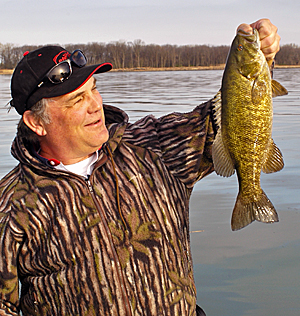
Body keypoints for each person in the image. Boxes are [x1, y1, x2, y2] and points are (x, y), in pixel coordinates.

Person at [0, 18, 280, 316]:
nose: (96, 104)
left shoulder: (154, 147)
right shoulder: (12, 205)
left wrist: (261, 59)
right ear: (35, 122)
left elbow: (227, 120)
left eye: (93, 89)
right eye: (76, 100)